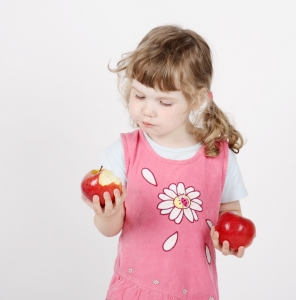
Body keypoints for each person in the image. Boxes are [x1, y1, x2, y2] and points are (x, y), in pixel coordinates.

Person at [82, 25, 250, 300]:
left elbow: (230, 211)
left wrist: (229, 238)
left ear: (195, 100)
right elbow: (109, 230)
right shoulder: (123, 153)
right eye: (139, 95)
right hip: (136, 290)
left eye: (164, 101)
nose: (147, 109)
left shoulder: (216, 156)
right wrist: (108, 213)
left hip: (196, 291)